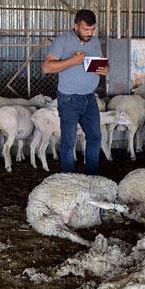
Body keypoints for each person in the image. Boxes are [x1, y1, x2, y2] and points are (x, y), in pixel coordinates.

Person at [42, 9, 108, 175]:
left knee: (95, 137)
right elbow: (47, 67)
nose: (89, 33)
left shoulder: (94, 41)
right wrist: (72, 61)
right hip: (69, 99)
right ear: (75, 26)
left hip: (90, 98)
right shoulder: (63, 40)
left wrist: (105, 69)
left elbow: (100, 63)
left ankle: (92, 176)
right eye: (86, 29)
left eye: (92, 29)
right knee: (68, 142)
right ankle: (68, 180)